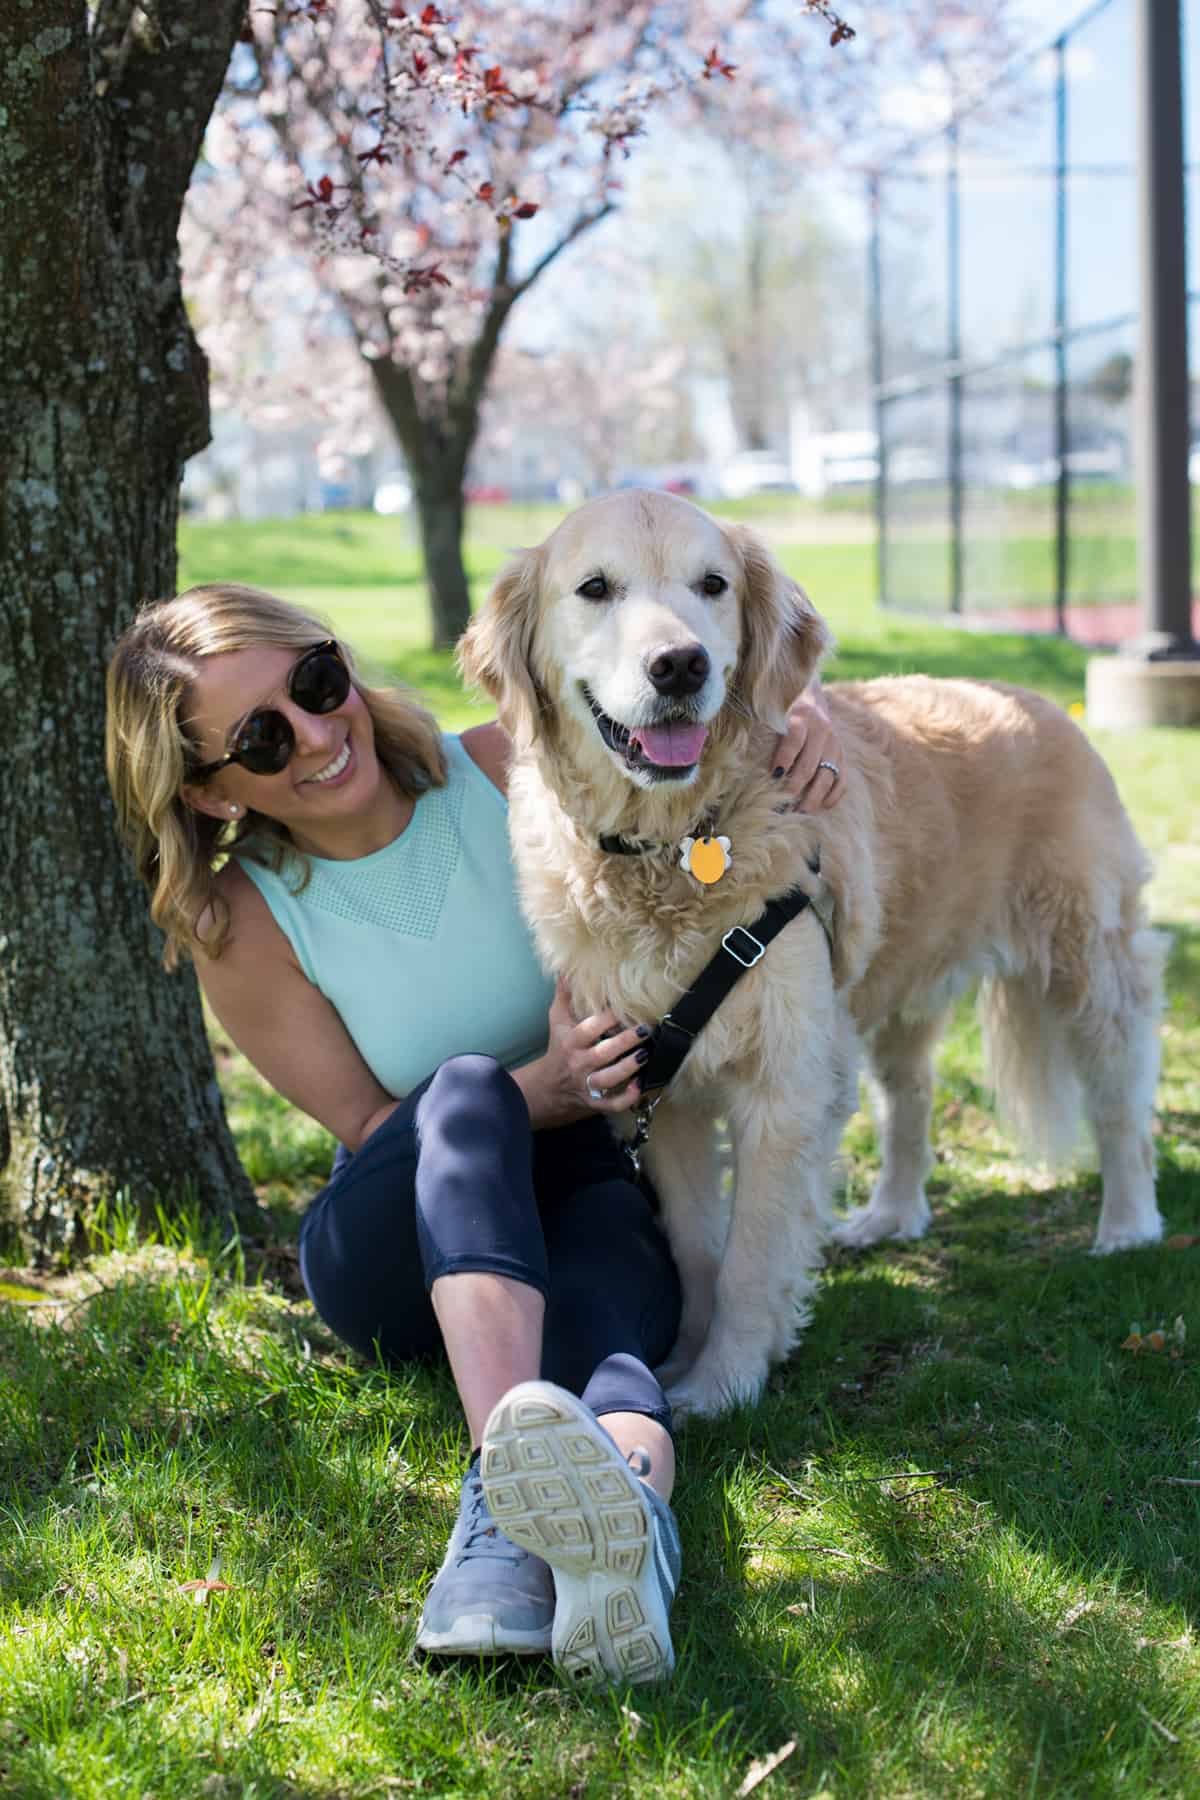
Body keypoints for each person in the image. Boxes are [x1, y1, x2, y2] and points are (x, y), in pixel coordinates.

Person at [105, 582, 845, 1685]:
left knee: (614, 1354)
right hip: (404, 1229)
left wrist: (804, 718)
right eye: (261, 738)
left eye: (315, 682)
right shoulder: (240, 916)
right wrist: (537, 1086)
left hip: (595, 1180)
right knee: (465, 1093)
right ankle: (505, 1507)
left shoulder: (508, 764)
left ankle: (629, 1530)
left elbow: (685, 714)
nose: (316, 734)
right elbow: (367, 1124)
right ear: (210, 796)